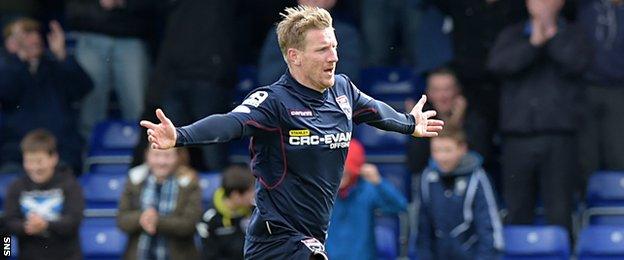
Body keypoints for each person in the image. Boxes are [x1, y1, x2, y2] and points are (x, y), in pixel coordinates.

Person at [140, 6, 443, 259]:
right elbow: (230, 123)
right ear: (295, 56)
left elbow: (376, 111)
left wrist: (409, 123)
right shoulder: (274, 101)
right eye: (322, 49)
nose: (333, 56)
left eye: (334, 47)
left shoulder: (343, 90)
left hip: (312, 236)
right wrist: (180, 135)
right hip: (276, 240)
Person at [487, 0, 591, 233]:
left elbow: (578, 63)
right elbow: (498, 66)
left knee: (559, 210)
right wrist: (533, 44)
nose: (542, 4)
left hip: (560, 137)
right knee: (517, 208)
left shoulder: (573, 34)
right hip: (518, 137)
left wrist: (551, 37)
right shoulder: (512, 34)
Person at [0, 17, 93, 174]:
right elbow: (6, 92)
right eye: (25, 37)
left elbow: (83, 88)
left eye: (35, 36)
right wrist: (20, 60)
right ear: (11, 43)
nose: (33, 40)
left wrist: (62, 56)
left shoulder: (55, 65)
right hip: (17, 155)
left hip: (60, 152)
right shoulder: (6, 68)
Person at [65, 0, 157, 139]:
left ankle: (143, 153)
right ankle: (88, 153)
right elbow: (73, 10)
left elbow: (157, 7)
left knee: (137, 106)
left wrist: (124, 3)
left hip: (132, 36)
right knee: (90, 102)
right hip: (92, 33)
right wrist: (100, 5)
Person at [417, 127, 503, 260]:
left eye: (447, 150)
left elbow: (488, 229)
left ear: (462, 149)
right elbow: (423, 229)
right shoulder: (427, 177)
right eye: (436, 150)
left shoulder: (478, 178)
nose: (441, 157)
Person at [3, 129, 85, 260]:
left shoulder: (70, 185)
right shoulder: (16, 187)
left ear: (54, 158)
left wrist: (46, 225)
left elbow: (74, 221)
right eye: (29, 161)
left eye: (39, 161)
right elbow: (7, 227)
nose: (34, 167)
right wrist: (5, 253)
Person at [325, 139, 407, 260]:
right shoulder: (324, 191)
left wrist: (379, 182)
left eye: (346, 170)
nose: (341, 174)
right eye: (338, 169)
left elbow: (400, 205)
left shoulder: (367, 190)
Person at [117, 147, 202, 260]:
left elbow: (189, 225)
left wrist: (156, 221)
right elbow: (122, 220)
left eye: (167, 156)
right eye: (156, 155)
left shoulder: (189, 181)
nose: (161, 162)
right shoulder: (134, 178)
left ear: (177, 157)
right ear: (147, 155)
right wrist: (141, 218)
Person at [577, 0, 624, 194]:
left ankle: (617, 211)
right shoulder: (584, 7)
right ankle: (585, 209)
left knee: (619, 156)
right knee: (586, 158)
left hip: (619, 90)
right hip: (585, 88)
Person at [406, 67, 490, 175]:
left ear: (457, 90)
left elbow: (480, 158)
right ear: (428, 93)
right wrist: (412, 126)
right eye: (436, 90)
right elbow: (416, 164)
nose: (442, 96)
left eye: (447, 89)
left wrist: (457, 121)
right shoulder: (422, 117)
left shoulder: (474, 117)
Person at [258, 0, 361, 85]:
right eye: (322, 49)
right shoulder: (279, 33)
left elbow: (347, 79)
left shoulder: (346, 34)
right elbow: (268, 78)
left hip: (327, 102)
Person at [197, 165, 256, 260]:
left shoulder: (255, 211)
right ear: (235, 195)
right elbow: (209, 255)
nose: (254, 194)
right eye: (250, 191)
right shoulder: (209, 219)